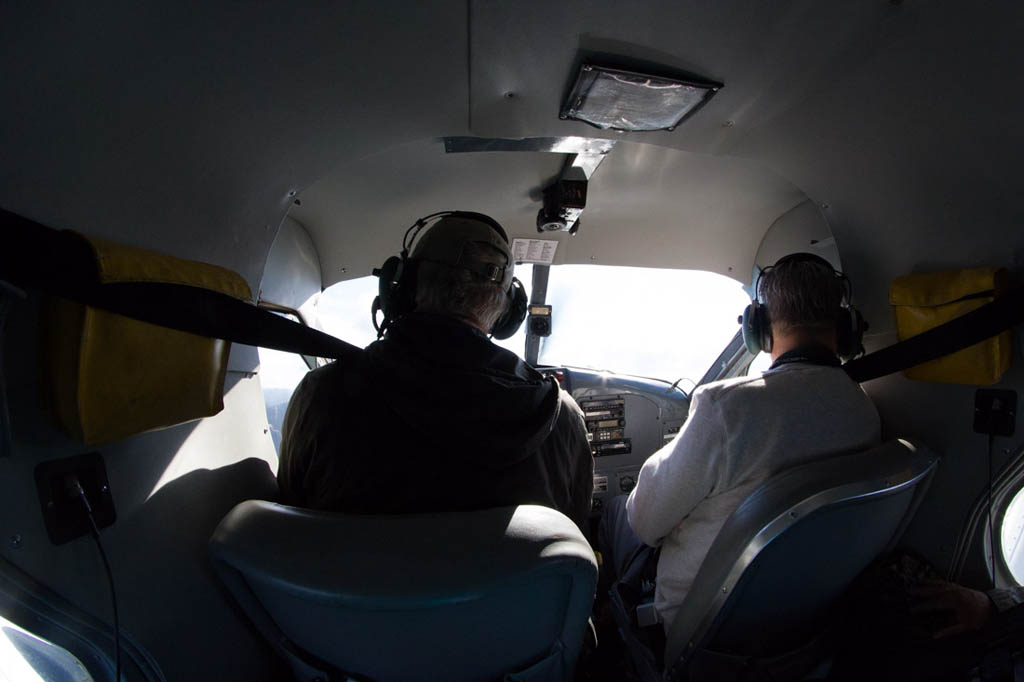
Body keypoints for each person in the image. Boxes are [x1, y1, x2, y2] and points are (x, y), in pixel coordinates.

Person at [599, 253, 881, 632]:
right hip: (804, 610)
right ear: (846, 328)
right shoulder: (863, 410)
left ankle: (608, 630)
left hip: (704, 621)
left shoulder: (727, 407)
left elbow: (646, 522)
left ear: (758, 327)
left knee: (617, 511)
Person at [276, 211, 594, 530]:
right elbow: (574, 535)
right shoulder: (560, 418)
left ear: (402, 286)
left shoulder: (321, 395)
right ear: (506, 311)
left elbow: (292, 523)